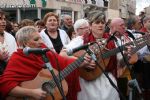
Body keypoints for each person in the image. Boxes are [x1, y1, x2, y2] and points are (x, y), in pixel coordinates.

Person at [0, 26, 96, 100]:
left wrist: (80, 63)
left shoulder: (43, 50)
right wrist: (31, 92)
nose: (41, 41)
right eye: (36, 39)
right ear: (25, 43)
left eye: (41, 38)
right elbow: (5, 85)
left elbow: (62, 61)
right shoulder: (17, 58)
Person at [76, 12, 120, 100]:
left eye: (102, 23)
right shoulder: (81, 40)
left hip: (108, 81)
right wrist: (83, 62)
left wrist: (127, 55)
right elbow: (64, 54)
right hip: (87, 81)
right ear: (90, 25)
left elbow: (120, 62)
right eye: (97, 22)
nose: (100, 25)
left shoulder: (113, 40)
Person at [0, 10, 17, 74]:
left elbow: (15, 53)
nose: (3, 21)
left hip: (10, 72)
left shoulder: (10, 37)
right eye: (0, 19)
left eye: (4, 19)